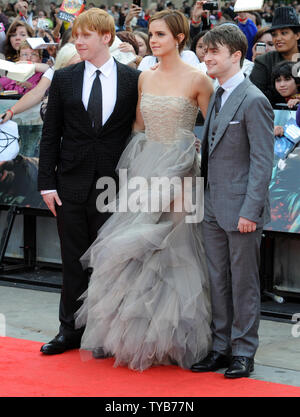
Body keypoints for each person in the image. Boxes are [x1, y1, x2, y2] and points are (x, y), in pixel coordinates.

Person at [74, 9, 213, 371]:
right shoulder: (144, 79)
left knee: (175, 246)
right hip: (144, 166)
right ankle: (124, 335)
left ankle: (170, 340)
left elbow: (215, 131)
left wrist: (193, 146)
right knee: (130, 247)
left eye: (161, 34)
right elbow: (137, 125)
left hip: (182, 171)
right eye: (151, 34)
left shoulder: (199, 80)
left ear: (180, 38)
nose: (153, 40)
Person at [37, 8, 140, 356]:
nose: (78, 42)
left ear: (106, 37)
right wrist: (46, 185)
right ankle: (70, 332)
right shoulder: (64, 79)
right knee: (72, 261)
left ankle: (106, 335)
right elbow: (50, 135)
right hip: (70, 185)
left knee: (110, 264)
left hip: (115, 185)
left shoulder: (132, 79)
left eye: (85, 36)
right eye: (75, 36)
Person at [191, 24, 274, 378]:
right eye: (204, 52)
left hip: (241, 210)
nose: (206, 57)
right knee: (217, 280)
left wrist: (250, 211)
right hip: (211, 205)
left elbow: (261, 161)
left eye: (213, 52)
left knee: (243, 283)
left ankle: (243, 350)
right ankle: (220, 347)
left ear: (236, 56)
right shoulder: (219, 94)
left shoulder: (254, 99)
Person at [0, 43, 80, 124]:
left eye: (33, 54)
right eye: (24, 54)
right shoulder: (53, 72)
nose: (28, 57)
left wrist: (30, 68)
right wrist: (11, 112)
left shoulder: (44, 73)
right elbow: (37, 93)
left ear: (40, 58)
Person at [250, 6, 300, 106]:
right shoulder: (264, 61)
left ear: (297, 35)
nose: (278, 38)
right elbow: (254, 96)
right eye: (274, 34)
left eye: (284, 33)